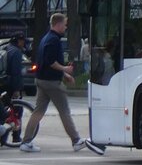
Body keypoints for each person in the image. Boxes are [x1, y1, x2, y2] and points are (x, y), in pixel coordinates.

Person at [19, 13, 104, 155]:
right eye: (64, 24)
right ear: (57, 24)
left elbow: (46, 63)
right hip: (52, 83)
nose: (65, 27)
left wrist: (64, 74)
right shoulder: (53, 40)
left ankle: (26, 141)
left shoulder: (46, 38)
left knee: (38, 112)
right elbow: (50, 61)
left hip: (42, 80)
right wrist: (65, 70)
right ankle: (76, 140)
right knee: (65, 111)